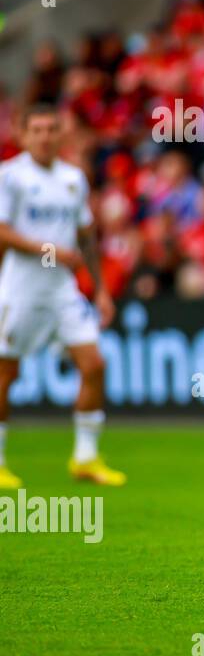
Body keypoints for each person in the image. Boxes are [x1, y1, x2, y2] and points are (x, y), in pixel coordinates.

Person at [0, 104, 124, 489]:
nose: (45, 136)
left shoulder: (73, 178)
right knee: (6, 373)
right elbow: (2, 232)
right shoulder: (11, 177)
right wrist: (51, 251)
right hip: (22, 287)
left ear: (61, 134)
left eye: (52, 129)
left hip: (62, 288)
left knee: (94, 364)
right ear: (23, 134)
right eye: (37, 130)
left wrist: (101, 289)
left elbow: (85, 236)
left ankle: (85, 458)